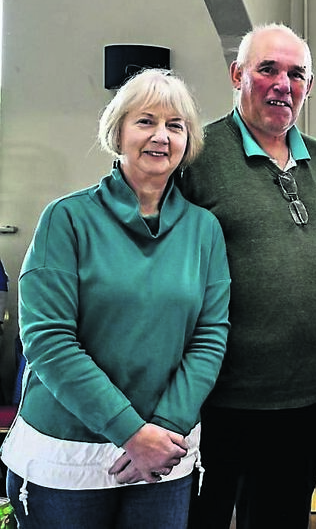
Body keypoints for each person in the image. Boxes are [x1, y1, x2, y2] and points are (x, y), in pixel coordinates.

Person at [2, 68, 230, 528]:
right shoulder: (67, 219)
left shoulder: (204, 230)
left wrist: (164, 427)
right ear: (118, 131)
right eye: (145, 121)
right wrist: (130, 432)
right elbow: (48, 341)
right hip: (69, 453)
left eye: (175, 125)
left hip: (164, 453)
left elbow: (210, 335)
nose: (161, 136)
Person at [178, 23, 316, 528]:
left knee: (281, 516)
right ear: (237, 75)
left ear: (308, 87)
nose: (282, 84)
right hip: (223, 394)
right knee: (205, 517)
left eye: (296, 74)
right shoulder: (199, 155)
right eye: (267, 69)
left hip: (308, 393)